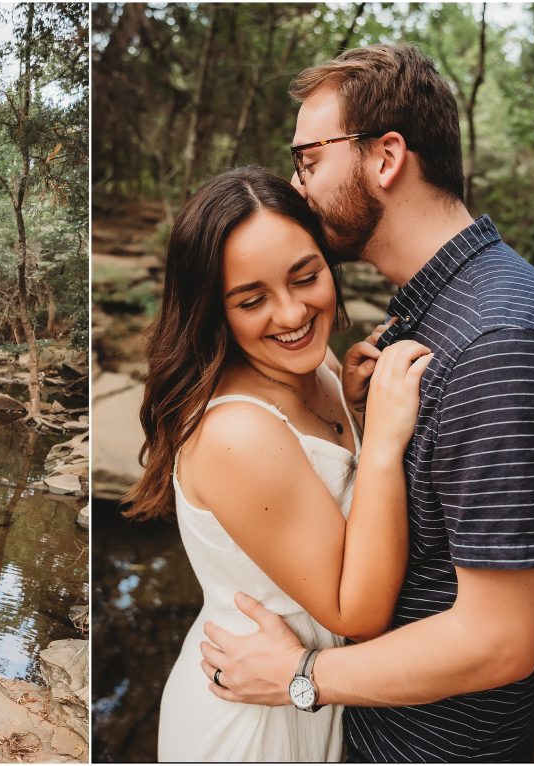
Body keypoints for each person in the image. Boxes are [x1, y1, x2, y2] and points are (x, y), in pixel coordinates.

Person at [199, 44, 534, 762]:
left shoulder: (499, 339)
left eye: (309, 160)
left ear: (385, 158)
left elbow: (498, 641)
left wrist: (300, 676)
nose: (298, 185)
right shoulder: (437, 313)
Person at [125, 165, 433, 761]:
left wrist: (359, 413)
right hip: (250, 720)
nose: (291, 314)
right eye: (252, 299)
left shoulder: (313, 368)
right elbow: (358, 612)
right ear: (214, 310)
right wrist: (387, 443)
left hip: (304, 688)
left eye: (306, 276)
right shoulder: (237, 432)